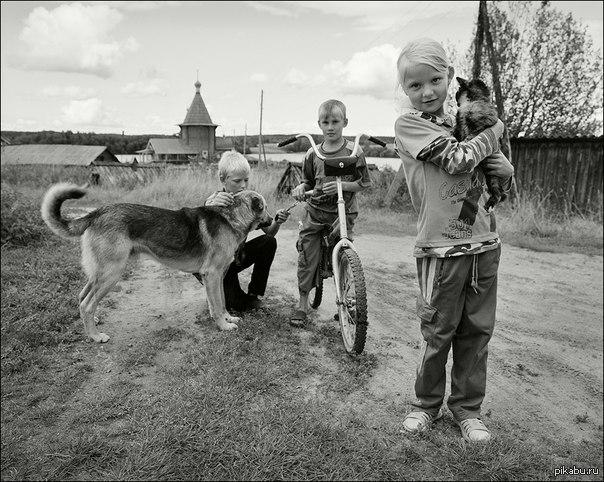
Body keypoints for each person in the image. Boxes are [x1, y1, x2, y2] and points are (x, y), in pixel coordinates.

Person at [393, 38, 514, 443]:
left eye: (435, 80)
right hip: (440, 249)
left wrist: (506, 171)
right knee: (438, 332)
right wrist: (495, 130)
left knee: (476, 333)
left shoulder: (462, 122)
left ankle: (467, 409)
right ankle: (425, 405)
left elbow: (495, 178)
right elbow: (459, 160)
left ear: (449, 76)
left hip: (485, 244)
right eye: (415, 85)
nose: (427, 92)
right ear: (404, 89)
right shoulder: (410, 126)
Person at [290, 99, 372, 326]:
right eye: (325, 123)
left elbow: (364, 183)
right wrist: (301, 188)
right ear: (319, 124)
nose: (330, 127)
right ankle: (303, 304)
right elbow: (308, 182)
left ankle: (347, 301)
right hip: (316, 212)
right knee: (308, 256)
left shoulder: (354, 151)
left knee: (345, 255)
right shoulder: (313, 153)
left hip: (342, 213)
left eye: (335, 122)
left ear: (345, 122)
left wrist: (342, 186)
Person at [205, 150, 290, 312]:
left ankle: (254, 294)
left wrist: (278, 221)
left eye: (246, 180)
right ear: (222, 179)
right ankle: (217, 289)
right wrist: (210, 205)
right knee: (236, 305)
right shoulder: (214, 201)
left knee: (268, 242)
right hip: (218, 264)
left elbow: (270, 232)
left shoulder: (251, 201)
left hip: (236, 259)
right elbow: (203, 223)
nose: (243, 185)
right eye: (237, 181)